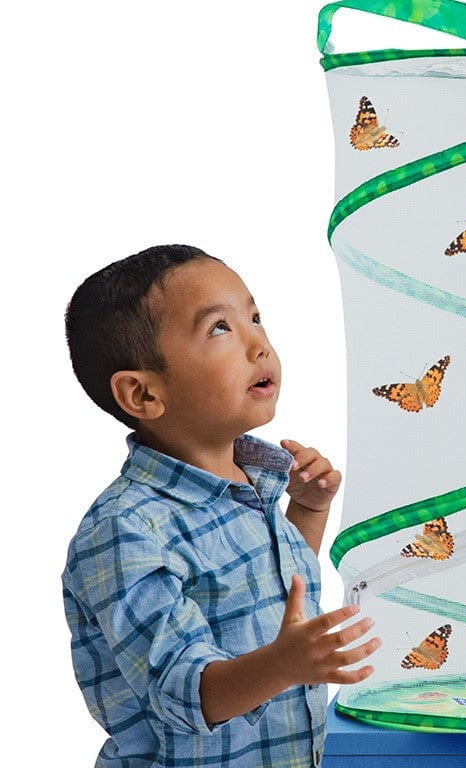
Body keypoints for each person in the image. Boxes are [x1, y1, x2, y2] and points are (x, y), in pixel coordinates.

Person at [62, 244, 381, 768]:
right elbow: (183, 691)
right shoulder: (125, 531)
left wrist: (307, 512)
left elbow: (270, 598)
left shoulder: (252, 484)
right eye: (219, 328)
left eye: (255, 318)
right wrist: (284, 664)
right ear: (143, 395)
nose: (259, 344)